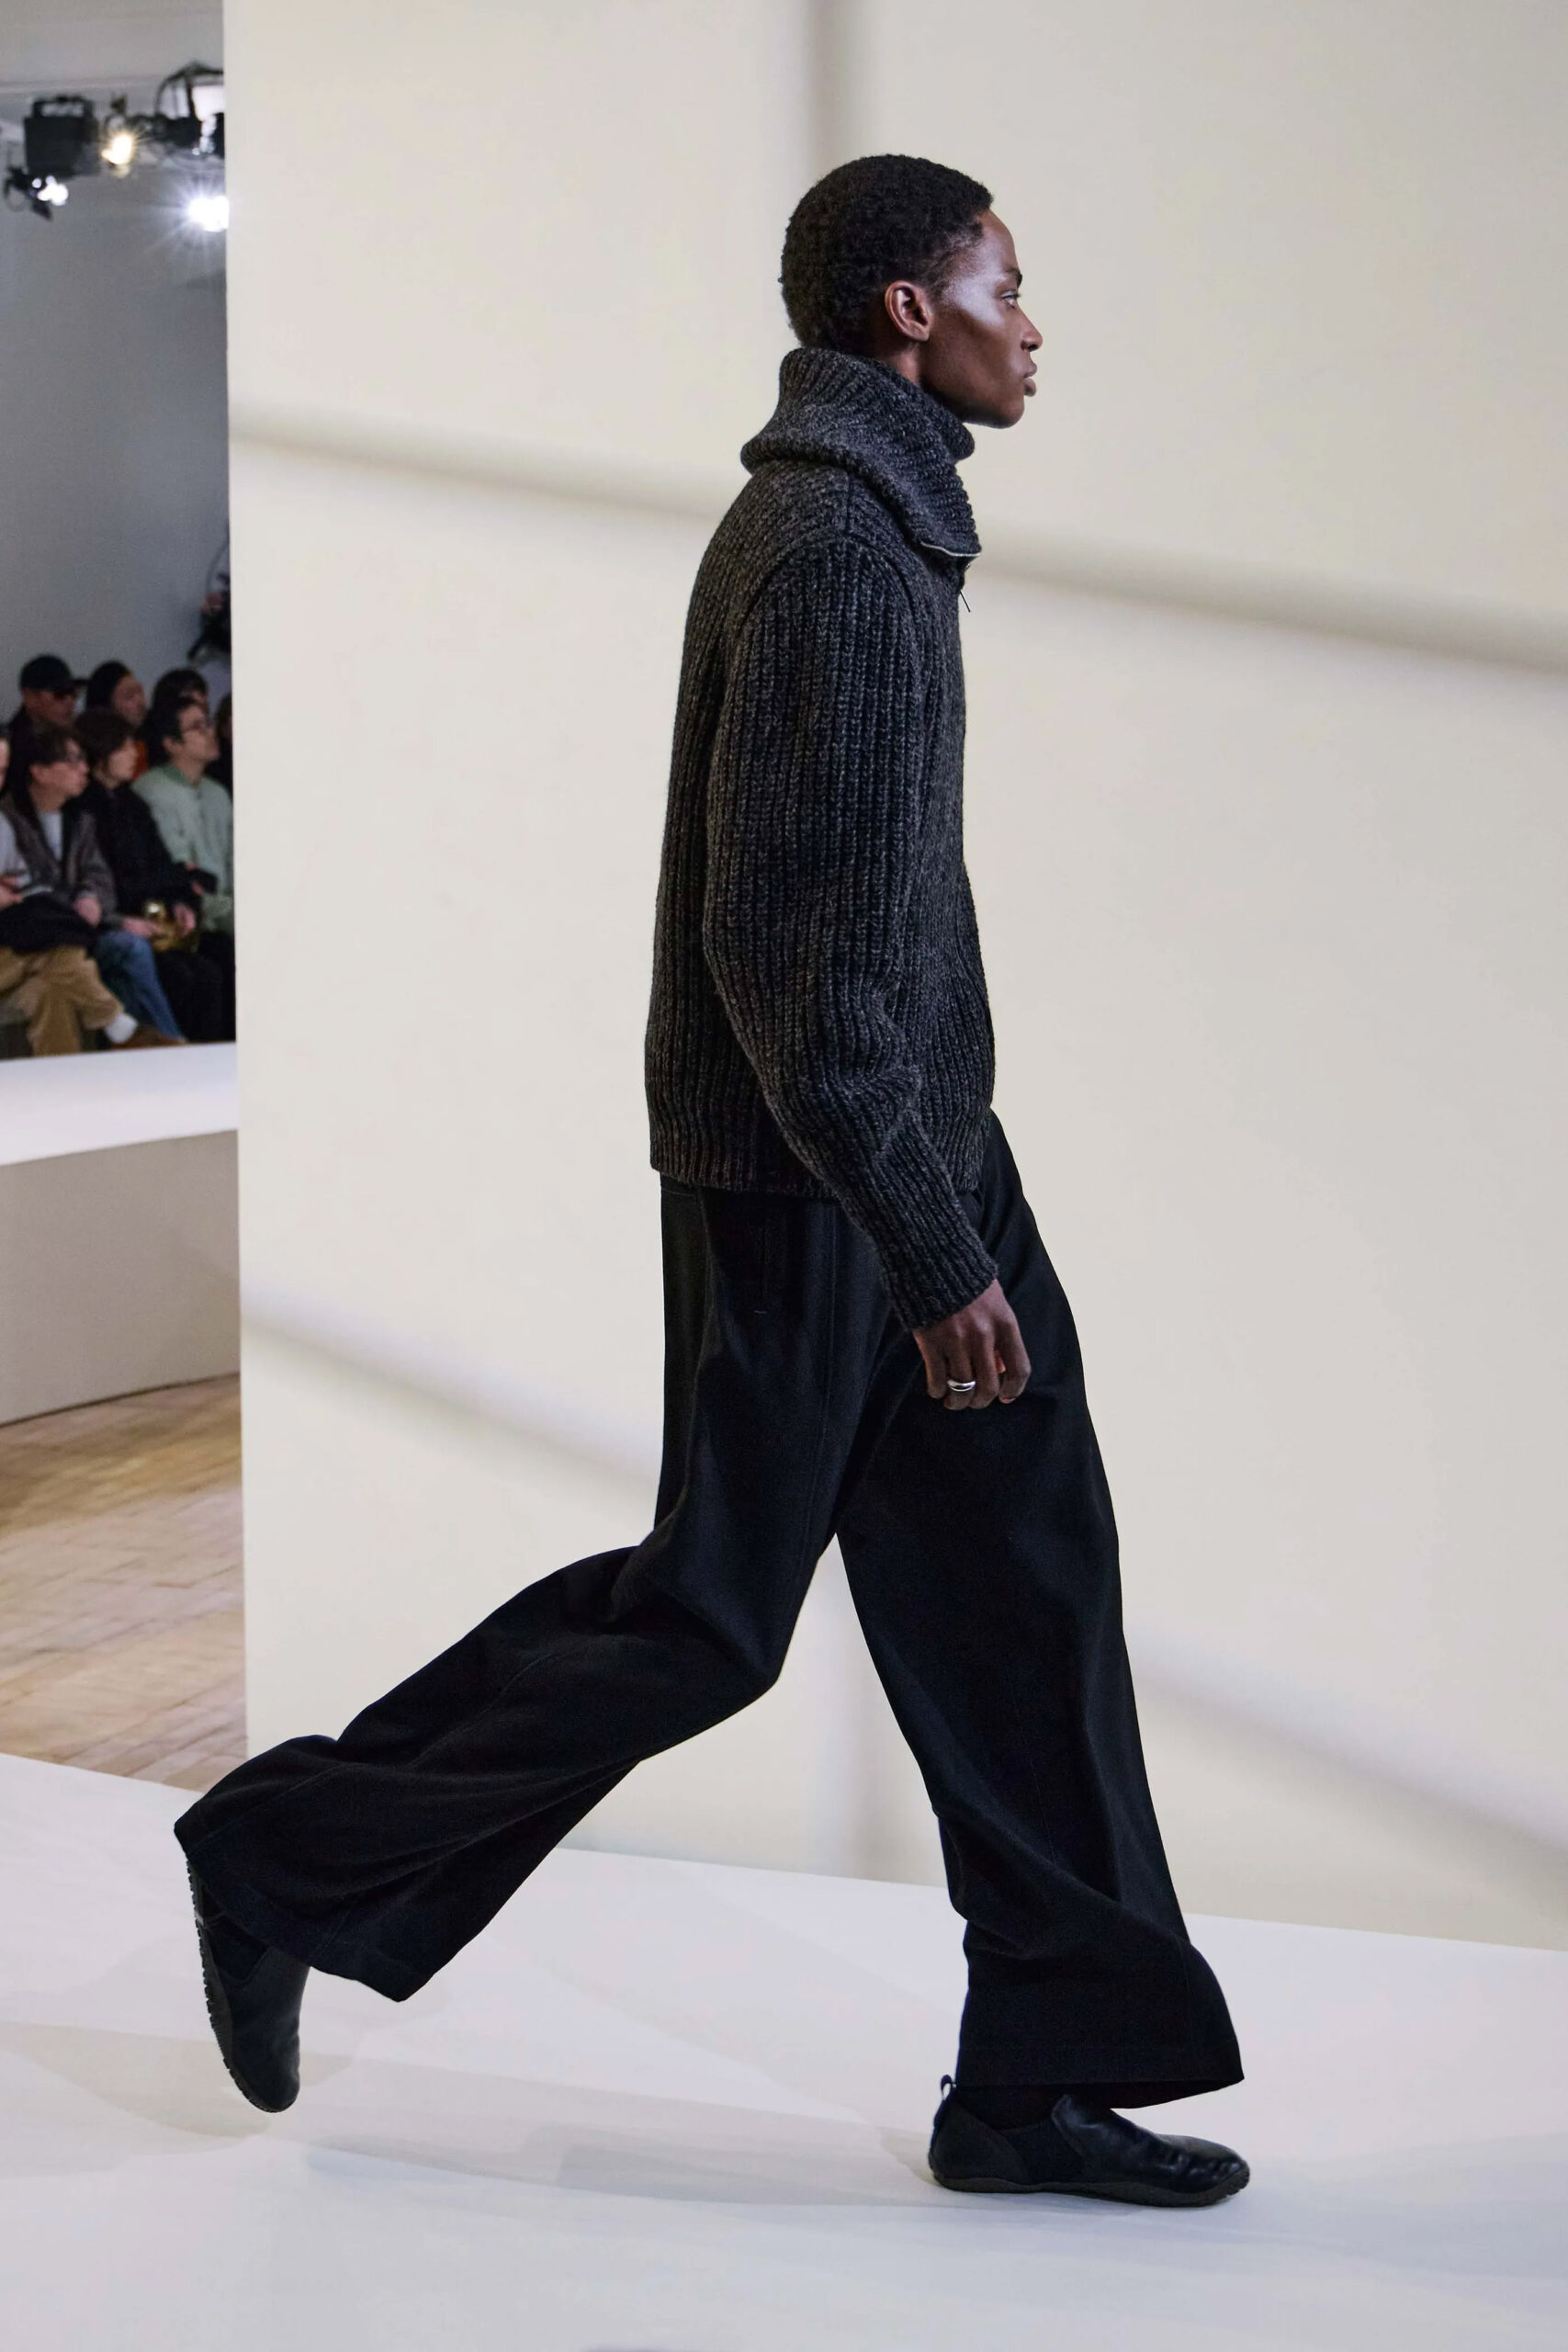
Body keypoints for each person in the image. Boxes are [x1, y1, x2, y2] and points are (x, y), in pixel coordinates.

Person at [174, 155, 1248, 2209]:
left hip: (918, 1157)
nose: (1033, 325)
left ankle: (1036, 2081)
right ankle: (283, 1850)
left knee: (1020, 1593)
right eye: (1004, 284)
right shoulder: (832, 552)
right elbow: (792, 966)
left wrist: (944, 1193)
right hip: (823, 1185)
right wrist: (926, 1247)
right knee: (709, 1615)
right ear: (905, 313)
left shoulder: (873, 527)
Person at [1, 724, 184, 1041]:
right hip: (32, 937)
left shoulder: (79, 820)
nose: (84, 769)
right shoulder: (13, 820)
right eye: (72, 761)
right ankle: (132, 1030)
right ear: (40, 772)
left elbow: (98, 877)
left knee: (54, 985)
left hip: (67, 931)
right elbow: (27, 894)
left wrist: (89, 896)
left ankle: (124, 1041)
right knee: (70, 948)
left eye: (2, 770)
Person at [76, 707, 226, 1043]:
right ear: (101, 754)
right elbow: (113, 882)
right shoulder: (85, 809)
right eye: (124, 747)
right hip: (118, 921)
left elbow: (161, 861)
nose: (134, 754)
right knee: (185, 977)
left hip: (153, 917)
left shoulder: (131, 802)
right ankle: (177, 1052)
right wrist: (176, 883)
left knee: (213, 964)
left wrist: (180, 901)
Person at [137, 694, 235, 1038]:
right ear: (171, 743)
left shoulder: (218, 793)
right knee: (218, 963)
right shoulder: (153, 791)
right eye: (198, 727)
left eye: (209, 723)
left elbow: (233, 862)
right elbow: (181, 873)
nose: (210, 732)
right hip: (184, 921)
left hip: (224, 913)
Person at [6, 652, 80, 792]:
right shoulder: (10, 748)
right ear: (30, 697)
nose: (70, 702)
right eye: (60, 694)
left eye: (73, 693)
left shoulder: (76, 737)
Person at [84, 662, 150, 775]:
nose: (141, 702)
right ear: (106, 705)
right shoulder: (94, 752)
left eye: (140, 692)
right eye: (129, 697)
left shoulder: (150, 737)